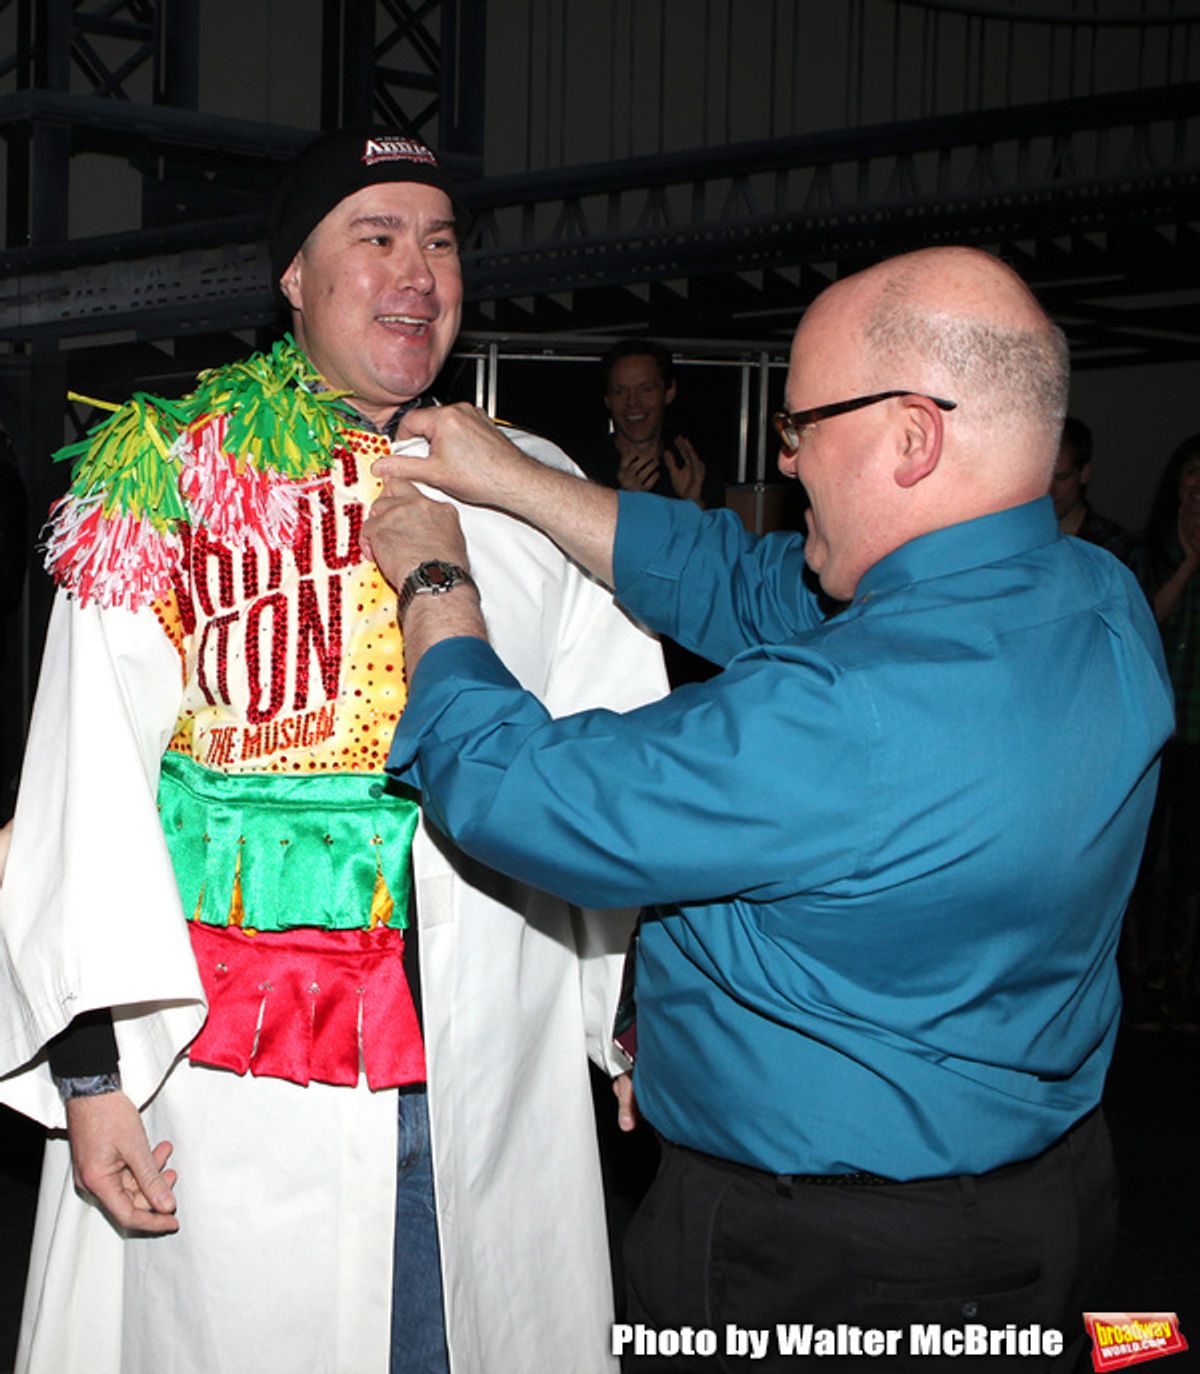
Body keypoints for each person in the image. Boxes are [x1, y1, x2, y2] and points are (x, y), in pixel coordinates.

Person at [360, 246, 1172, 1372]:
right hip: (1049, 1203)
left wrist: (435, 583)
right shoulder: (1099, 599)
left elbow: (522, 791)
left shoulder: (850, 713)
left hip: (830, 1261)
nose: (785, 459)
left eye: (800, 427)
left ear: (911, 436)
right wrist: (515, 481)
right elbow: (740, 582)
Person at [0, 129, 666, 1374]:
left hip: (487, 1075)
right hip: (235, 1098)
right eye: (375, 237)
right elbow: (81, 792)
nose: (418, 271)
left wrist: (636, 1011)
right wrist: (90, 1081)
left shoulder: (538, 490)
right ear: (294, 279)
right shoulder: (169, 482)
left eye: (441, 240)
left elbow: (621, 775)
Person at [1140, 433, 1200, 1033]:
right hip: (1157, 734)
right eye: (1190, 474)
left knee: (1190, 864)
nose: (1198, 487)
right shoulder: (1150, 550)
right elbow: (1141, 621)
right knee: (1144, 859)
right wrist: (1187, 567)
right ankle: (1144, 975)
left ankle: (1181, 977)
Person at [576, 340, 721, 509]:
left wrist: (693, 504)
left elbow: (715, 535)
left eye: (646, 389)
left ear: (669, 392)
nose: (632, 403)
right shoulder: (582, 472)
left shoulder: (694, 471)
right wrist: (626, 502)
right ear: (607, 399)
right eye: (620, 391)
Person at [1050, 415, 1148, 586]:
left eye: (1062, 477)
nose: (1049, 490)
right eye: (1039, 479)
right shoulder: (1017, 540)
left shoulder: (1118, 550)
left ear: (1084, 474)